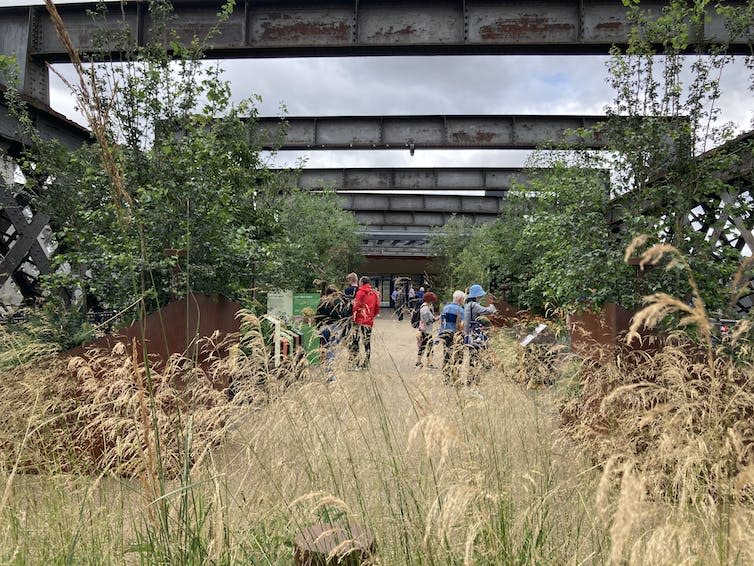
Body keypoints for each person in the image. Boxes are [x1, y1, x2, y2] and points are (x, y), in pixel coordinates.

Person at [315, 285, 350, 382]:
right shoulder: (340, 302)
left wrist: (318, 328)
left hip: (324, 328)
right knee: (332, 351)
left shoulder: (322, 302)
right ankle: (330, 375)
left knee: (325, 350)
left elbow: (317, 316)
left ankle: (326, 371)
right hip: (336, 328)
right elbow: (344, 315)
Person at [463, 284, 497, 377]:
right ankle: (473, 380)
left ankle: (472, 378)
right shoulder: (474, 305)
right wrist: (492, 305)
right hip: (475, 334)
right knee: (475, 357)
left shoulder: (467, 304)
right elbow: (487, 311)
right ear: (476, 296)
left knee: (472, 357)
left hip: (468, 333)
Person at [349, 276, 380, 370]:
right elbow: (377, 307)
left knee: (355, 341)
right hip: (369, 322)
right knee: (367, 342)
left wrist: (354, 318)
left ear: (362, 283)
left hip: (359, 321)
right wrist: (371, 317)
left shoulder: (360, 292)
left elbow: (356, 306)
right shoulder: (374, 293)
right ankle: (366, 363)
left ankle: (356, 361)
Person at [438, 290, 466, 377]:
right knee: (457, 357)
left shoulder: (445, 308)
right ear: (460, 299)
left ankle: (446, 376)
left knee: (447, 355)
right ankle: (455, 376)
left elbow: (441, 321)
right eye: (463, 299)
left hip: (445, 334)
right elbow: (462, 325)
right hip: (455, 336)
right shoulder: (461, 310)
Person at [416, 291, 438, 368]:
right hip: (426, 330)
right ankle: (428, 363)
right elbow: (427, 320)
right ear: (429, 300)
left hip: (425, 330)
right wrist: (435, 319)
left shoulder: (425, 307)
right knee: (428, 347)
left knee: (425, 346)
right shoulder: (425, 308)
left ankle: (420, 362)